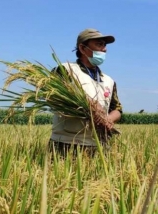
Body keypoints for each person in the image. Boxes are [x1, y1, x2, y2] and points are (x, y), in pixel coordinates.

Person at [49, 28, 122, 156]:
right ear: (82, 48)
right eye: (99, 44)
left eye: (104, 45)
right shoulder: (65, 70)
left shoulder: (109, 81)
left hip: (98, 145)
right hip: (66, 144)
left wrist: (108, 119)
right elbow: (51, 97)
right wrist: (90, 105)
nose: (104, 49)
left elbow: (117, 109)